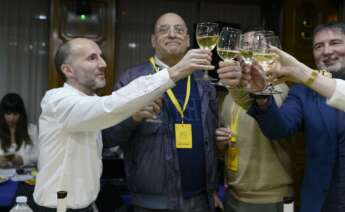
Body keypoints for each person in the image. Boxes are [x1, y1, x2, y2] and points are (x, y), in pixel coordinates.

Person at [33, 37, 214, 211]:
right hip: (56, 207)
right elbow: (109, 106)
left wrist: (134, 116)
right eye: (92, 58)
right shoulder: (56, 100)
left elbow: (108, 118)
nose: (103, 64)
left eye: (101, 56)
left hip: (87, 205)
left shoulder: (93, 102)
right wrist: (175, 71)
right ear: (68, 70)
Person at [218, 21, 345, 212]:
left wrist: (299, 72)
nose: (326, 51)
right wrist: (261, 95)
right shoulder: (302, 92)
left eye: (335, 42)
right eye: (318, 46)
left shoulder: (290, 85)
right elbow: (279, 129)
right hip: (321, 203)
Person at [102, 12, 221, 212]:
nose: (172, 34)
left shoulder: (203, 82)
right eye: (164, 30)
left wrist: (213, 188)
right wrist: (133, 117)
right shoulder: (133, 79)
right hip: (152, 202)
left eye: (179, 30)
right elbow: (108, 137)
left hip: (200, 200)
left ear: (188, 40)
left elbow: (210, 141)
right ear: (153, 41)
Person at [215, 31, 292, 212]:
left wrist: (260, 87)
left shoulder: (281, 90)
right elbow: (224, 148)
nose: (249, 52)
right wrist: (219, 143)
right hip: (233, 195)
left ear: (271, 54)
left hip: (271, 199)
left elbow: (276, 124)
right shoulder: (229, 97)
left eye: (257, 47)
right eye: (245, 47)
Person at [0, 93, 38, 168]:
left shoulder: (32, 129)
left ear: (21, 114)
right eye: (8, 113)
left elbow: (39, 155)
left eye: (15, 114)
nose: (11, 118)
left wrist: (24, 160)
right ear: (2, 113)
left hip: (26, 177)